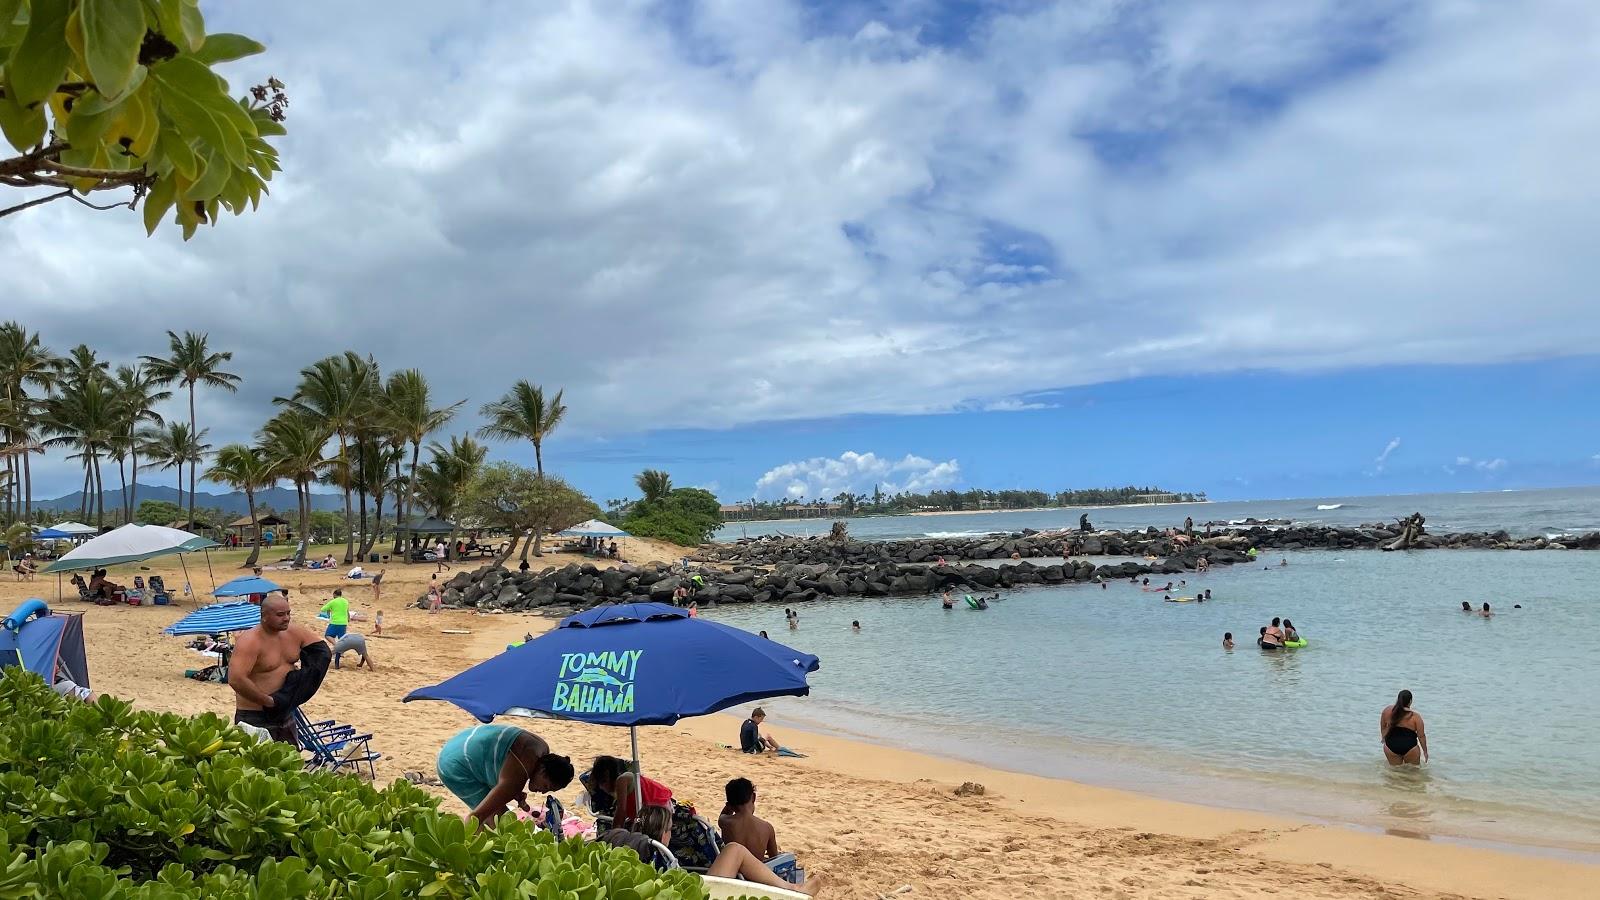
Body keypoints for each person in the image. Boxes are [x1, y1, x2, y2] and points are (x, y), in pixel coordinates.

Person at [599, 805, 824, 895]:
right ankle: (792, 889)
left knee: (735, 850)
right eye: (669, 830)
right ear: (663, 833)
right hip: (692, 894)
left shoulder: (627, 846)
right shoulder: (659, 855)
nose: (671, 834)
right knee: (735, 851)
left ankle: (793, 888)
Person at [228, 595, 324, 745]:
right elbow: (236, 679)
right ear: (264, 616)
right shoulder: (250, 641)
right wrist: (267, 701)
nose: (286, 618)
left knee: (289, 764)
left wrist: (300, 686)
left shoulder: (294, 633)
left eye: (288, 613)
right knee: (255, 766)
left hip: (285, 713)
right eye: (280, 615)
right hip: (255, 716)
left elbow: (322, 653)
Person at [437, 724, 574, 828]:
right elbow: (476, 817)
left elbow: (505, 762)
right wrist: (508, 790)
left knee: (504, 820)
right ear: (543, 770)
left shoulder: (542, 748)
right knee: (498, 824)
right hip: (454, 765)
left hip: (457, 743)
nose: (543, 792)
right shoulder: (516, 779)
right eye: (546, 786)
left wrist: (507, 790)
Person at [590, 754, 673, 825]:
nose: (601, 787)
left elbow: (620, 813)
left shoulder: (623, 780)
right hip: (653, 810)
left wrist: (615, 833)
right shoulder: (619, 787)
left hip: (660, 809)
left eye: (602, 782)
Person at [719, 778, 782, 862]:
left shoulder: (725, 822)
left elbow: (724, 814)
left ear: (729, 805)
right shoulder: (767, 828)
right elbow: (774, 858)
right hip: (754, 873)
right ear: (753, 797)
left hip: (733, 872)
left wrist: (730, 805)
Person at [1380, 689, 1428, 765]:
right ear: (1410, 701)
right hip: (1410, 747)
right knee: (1414, 772)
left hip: (1391, 746)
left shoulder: (1387, 711)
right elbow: (1421, 736)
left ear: (1398, 699)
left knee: (1394, 772)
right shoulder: (1415, 716)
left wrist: (1383, 737)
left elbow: (1383, 726)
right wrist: (1425, 752)